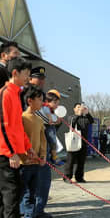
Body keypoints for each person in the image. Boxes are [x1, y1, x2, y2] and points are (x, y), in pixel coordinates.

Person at [0, 57, 34, 217]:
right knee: (11, 197)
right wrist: (10, 152)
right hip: (5, 155)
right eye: (26, 74)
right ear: (15, 73)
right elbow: (2, 125)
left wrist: (28, 146)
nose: (28, 78)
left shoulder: (16, 94)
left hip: (13, 154)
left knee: (14, 194)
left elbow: (17, 126)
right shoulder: (5, 94)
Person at [20, 86, 47, 218]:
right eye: (40, 99)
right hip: (23, 163)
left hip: (36, 163)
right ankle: (27, 214)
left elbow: (43, 140)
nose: (42, 103)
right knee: (23, 193)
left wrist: (43, 155)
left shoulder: (39, 120)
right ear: (30, 100)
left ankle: (29, 214)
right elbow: (18, 139)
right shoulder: (21, 117)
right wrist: (24, 155)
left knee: (33, 192)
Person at [63, 103, 94, 183]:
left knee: (81, 161)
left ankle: (79, 177)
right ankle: (67, 177)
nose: (80, 108)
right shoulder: (71, 117)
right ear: (74, 109)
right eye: (78, 107)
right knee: (70, 161)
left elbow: (91, 121)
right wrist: (78, 114)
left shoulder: (85, 118)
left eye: (81, 107)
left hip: (83, 142)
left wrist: (87, 113)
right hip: (73, 142)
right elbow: (72, 123)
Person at [39, 90, 63, 166]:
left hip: (50, 126)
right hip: (46, 126)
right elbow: (48, 115)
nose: (57, 105)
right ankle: (54, 157)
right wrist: (50, 118)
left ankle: (53, 157)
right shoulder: (45, 106)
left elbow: (54, 120)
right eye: (55, 103)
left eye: (58, 103)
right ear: (47, 101)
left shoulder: (53, 110)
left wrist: (57, 120)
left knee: (53, 143)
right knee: (52, 141)